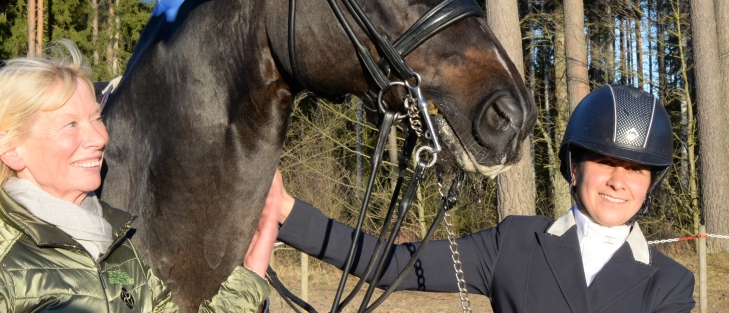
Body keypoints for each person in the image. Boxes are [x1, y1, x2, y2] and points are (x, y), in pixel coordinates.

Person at [274, 85, 696, 312]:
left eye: (636, 169)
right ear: (574, 168)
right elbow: (392, 265)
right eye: (604, 162)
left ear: (650, 183)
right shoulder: (514, 242)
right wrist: (286, 213)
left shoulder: (671, 284)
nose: (619, 181)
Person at [0, 40, 276, 312]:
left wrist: (251, 272)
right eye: (70, 124)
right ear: (11, 149)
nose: (99, 138)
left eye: (96, 118)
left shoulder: (120, 253)